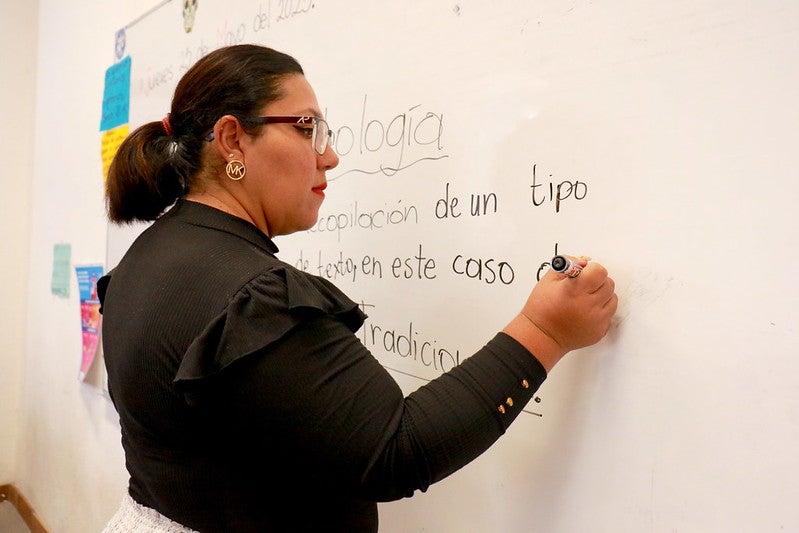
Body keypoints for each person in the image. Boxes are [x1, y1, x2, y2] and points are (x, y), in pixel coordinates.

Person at [99, 44, 617, 532]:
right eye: (309, 130)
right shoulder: (248, 298)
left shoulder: (149, 259)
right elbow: (394, 452)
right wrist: (545, 329)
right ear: (233, 139)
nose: (330, 157)